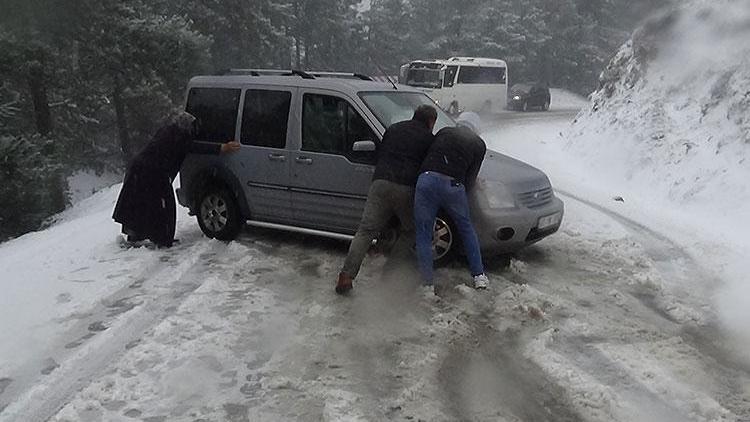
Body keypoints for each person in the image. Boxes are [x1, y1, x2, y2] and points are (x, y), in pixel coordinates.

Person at [335, 105, 438, 294]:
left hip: (380, 182)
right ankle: (390, 273)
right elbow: (428, 167)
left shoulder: (394, 129)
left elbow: (381, 153)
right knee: (411, 230)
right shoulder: (428, 139)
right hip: (405, 187)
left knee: (365, 230)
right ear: (431, 121)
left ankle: (346, 276)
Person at [113, 111, 240, 247]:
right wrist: (222, 147)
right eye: (193, 127)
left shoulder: (168, 132)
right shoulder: (178, 136)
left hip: (139, 170)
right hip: (153, 173)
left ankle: (136, 233)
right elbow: (195, 147)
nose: (194, 131)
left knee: (140, 203)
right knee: (163, 206)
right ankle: (162, 238)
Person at [414, 112, 489, 292]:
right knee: (466, 228)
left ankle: (427, 283)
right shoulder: (478, 144)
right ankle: (479, 276)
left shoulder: (444, 132)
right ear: (476, 129)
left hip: (426, 180)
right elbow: (470, 178)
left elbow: (430, 153)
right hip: (453, 186)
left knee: (424, 233)